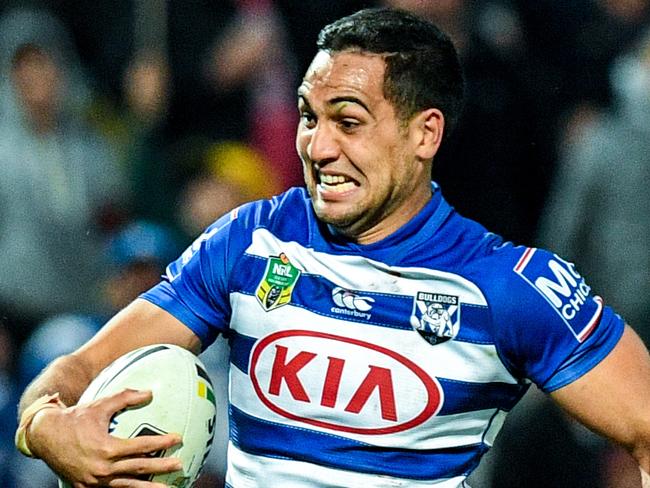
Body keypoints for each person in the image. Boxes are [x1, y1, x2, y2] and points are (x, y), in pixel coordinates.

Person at [14, 8, 650, 488]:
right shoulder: (250, 242)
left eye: (347, 121)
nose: (317, 146)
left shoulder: (506, 286)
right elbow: (75, 372)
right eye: (307, 116)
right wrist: (46, 428)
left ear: (425, 133)